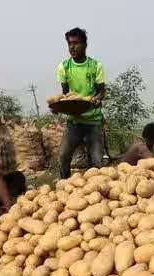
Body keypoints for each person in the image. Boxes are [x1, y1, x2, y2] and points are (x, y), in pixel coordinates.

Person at [56, 27, 106, 178]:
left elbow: (101, 90)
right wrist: (59, 106)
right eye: (70, 43)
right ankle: (64, 185)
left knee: (97, 162)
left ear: (85, 44)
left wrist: (97, 98)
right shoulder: (64, 66)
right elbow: (65, 94)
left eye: (76, 43)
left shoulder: (95, 66)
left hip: (93, 120)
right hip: (74, 121)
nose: (72, 47)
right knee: (63, 157)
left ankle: (96, 191)